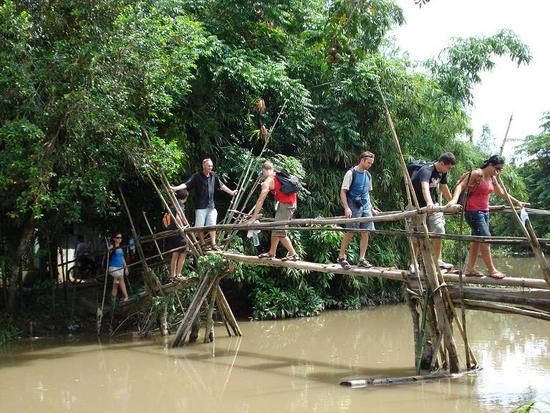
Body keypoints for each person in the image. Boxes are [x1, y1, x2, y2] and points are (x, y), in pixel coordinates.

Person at [449, 155, 526, 279]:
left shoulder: (492, 178)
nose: (498, 171)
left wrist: (517, 202)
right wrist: (453, 200)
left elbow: (501, 193)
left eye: (500, 169)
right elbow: (460, 186)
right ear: (489, 165)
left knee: (476, 240)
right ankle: (492, 270)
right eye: (497, 168)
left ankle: (469, 269)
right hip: (473, 212)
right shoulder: (476, 174)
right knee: (486, 238)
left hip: (485, 212)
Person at [171, 158, 237, 250]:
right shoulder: (197, 176)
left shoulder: (214, 175)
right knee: (200, 227)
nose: (211, 167)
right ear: (203, 166)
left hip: (211, 206)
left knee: (213, 225)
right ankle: (202, 245)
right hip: (200, 207)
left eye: (211, 166)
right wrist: (175, 188)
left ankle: (214, 244)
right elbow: (187, 184)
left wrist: (231, 192)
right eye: (209, 166)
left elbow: (221, 185)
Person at [409, 152, 456, 272]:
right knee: (417, 235)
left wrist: (452, 201)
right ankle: (414, 264)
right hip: (417, 205)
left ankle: (437, 261)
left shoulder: (442, 172)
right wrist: (429, 203)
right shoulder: (426, 170)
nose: (449, 170)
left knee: (439, 230)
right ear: (441, 163)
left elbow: (443, 187)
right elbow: (425, 187)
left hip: (433, 205)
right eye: (448, 167)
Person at [336, 151, 378, 270]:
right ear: (362, 160)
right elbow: (343, 191)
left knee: (366, 232)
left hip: (365, 206)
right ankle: (341, 257)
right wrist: (346, 208)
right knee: (351, 231)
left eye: (371, 163)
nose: (370, 165)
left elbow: (367, 194)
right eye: (369, 162)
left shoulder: (368, 175)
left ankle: (361, 259)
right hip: (353, 205)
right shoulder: (351, 173)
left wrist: (371, 208)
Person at [249, 161, 299, 261]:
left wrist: (253, 218)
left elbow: (260, 200)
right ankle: (272, 252)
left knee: (279, 231)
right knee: (275, 228)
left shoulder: (268, 181)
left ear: (264, 170)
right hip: (289, 204)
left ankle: (294, 255)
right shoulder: (277, 175)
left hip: (286, 205)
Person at [167, 189, 190, 282]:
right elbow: (177, 218)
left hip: (172, 233)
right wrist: (182, 227)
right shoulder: (180, 205)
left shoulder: (173, 205)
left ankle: (172, 276)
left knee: (175, 254)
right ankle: (178, 275)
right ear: (185, 197)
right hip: (178, 232)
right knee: (184, 252)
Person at [108, 233, 129, 302]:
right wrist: (109, 249)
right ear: (114, 239)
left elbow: (123, 258)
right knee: (121, 278)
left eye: (121, 237)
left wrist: (126, 268)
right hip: (113, 268)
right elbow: (110, 251)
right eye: (118, 237)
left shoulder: (121, 247)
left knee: (116, 284)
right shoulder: (112, 246)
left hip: (121, 268)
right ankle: (126, 296)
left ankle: (112, 302)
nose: (120, 239)